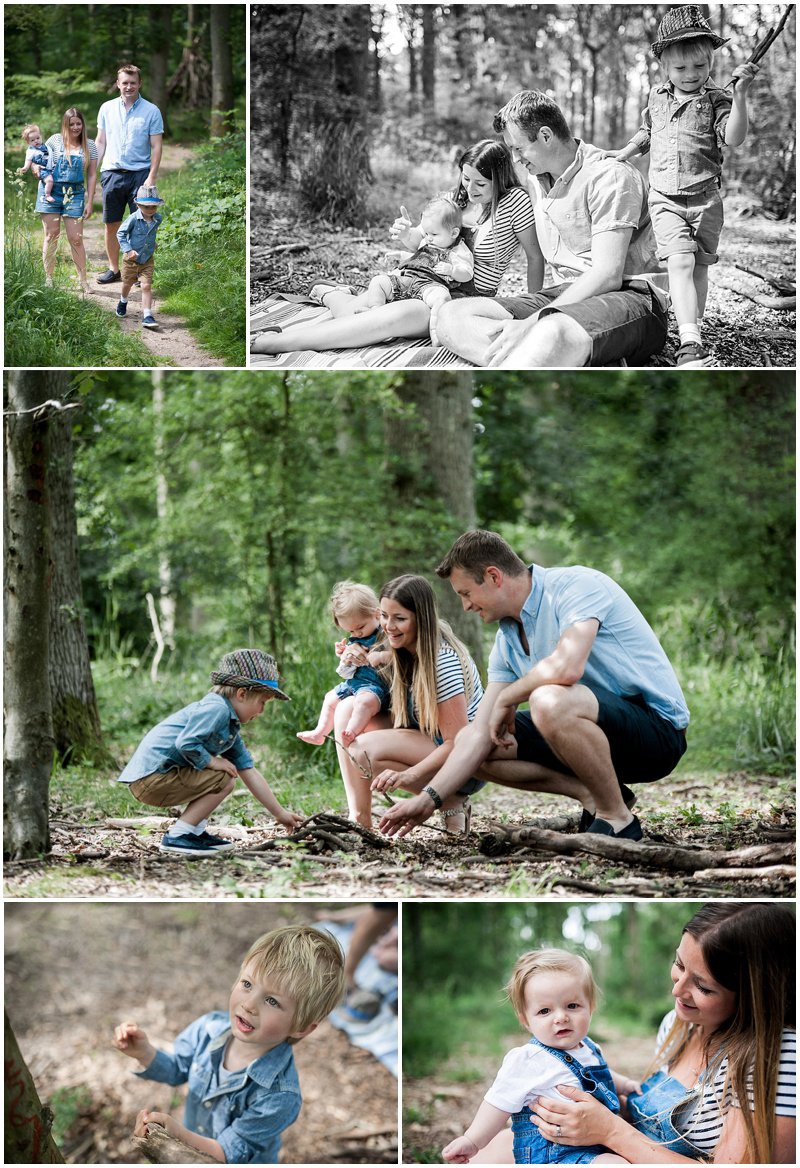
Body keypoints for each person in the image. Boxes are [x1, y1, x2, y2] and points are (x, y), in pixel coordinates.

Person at [379, 531, 688, 842]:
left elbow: (568, 666)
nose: (465, 606)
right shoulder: (506, 640)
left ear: (493, 576)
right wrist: (428, 799)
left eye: (466, 593)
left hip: (654, 733)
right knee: (478, 740)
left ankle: (618, 821)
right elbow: (474, 735)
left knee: (548, 700)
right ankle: (597, 797)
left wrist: (510, 697)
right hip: (591, 740)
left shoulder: (575, 586)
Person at [529, 903, 796, 1165]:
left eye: (703, 987)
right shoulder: (677, 1025)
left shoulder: (780, 1056)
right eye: (679, 965)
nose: (677, 991)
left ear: (754, 997)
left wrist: (610, 1130)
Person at [435, 91, 670, 369]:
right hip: (566, 294)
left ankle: (539, 358)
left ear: (546, 136)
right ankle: (534, 361)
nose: (515, 158)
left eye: (519, 148)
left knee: (550, 332)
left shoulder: (610, 176)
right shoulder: (535, 180)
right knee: (451, 315)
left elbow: (608, 275)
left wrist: (529, 324)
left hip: (632, 296)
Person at [250, 139, 539, 356]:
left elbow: (535, 258)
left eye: (481, 184)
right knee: (364, 314)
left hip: (463, 298)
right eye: (466, 178)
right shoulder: (455, 200)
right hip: (420, 280)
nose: (470, 189)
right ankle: (332, 296)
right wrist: (407, 234)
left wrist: (537, 308)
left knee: (388, 320)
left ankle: (281, 338)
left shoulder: (514, 202)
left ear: (499, 181)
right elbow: (426, 245)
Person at [601, 8, 759, 367]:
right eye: (680, 69)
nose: (691, 76)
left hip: (705, 200)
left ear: (709, 63)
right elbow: (648, 132)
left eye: (699, 67)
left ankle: (692, 328)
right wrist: (625, 153)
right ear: (664, 67)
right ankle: (688, 340)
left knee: (698, 267)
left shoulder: (718, 99)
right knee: (681, 261)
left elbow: (733, 138)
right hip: (666, 198)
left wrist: (742, 94)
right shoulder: (658, 96)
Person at [113, 924, 346, 1164]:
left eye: (272, 1001)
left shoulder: (280, 1096)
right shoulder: (208, 1030)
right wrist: (144, 1052)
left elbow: (228, 1153)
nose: (249, 1005)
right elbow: (176, 1069)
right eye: (247, 984)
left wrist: (178, 1134)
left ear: (303, 1027)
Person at [443, 949, 640, 1164]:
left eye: (572, 1006)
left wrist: (625, 1084)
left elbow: (600, 1076)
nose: (561, 1017)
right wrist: (472, 1141)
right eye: (545, 1011)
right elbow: (497, 1103)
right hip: (555, 1154)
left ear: (590, 1007)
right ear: (526, 1020)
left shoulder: (588, 1047)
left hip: (595, 1146)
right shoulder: (529, 1059)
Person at [117, 649, 304, 856]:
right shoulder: (217, 709)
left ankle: (193, 832)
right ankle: (180, 836)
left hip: (156, 779)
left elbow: (248, 770)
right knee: (223, 776)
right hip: (152, 778)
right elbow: (186, 744)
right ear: (242, 694)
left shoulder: (229, 723)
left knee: (227, 774)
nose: (261, 711)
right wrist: (213, 762)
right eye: (262, 702)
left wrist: (279, 813)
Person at [338, 574, 484, 833]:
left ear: (421, 619)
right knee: (346, 709)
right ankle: (359, 819)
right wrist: (355, 659)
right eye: (383, 616)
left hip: (467, 763)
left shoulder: (443, 662)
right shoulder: (399, 649)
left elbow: (458, 742)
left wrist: (411, 776)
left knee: (362, 751)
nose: (388, 626)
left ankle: (451, 798)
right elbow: (366, 692)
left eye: (399, 618)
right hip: (429, 739)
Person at [359, 195, 474, 330]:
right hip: (407, 280)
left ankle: (436, 329)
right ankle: (375, 310)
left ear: (454, 233)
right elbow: (420, 259)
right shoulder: (427, 242)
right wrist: (401, 255)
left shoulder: (458, 251)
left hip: (430, 286)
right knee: (378, 281)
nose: (428, 238)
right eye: (426, 233)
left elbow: (467, 274)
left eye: (434, 234)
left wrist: (452, 271)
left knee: (442, 297)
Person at [297, 581, 390, 749]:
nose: (356, 634)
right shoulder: (355, 640)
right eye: (351, 631)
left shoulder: (385, 635)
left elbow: (397, 657)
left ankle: (351, 732)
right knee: (329, 699)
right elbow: (345, 673)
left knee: (364, 702)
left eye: (360, 627)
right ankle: (320, 733)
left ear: (376, 614)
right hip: (353, 683)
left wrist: (381, 656)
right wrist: (345, 658)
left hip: (376, 688)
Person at [95, 63, 164, 285]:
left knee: (140, 225)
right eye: (124, 82)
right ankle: (114, 269)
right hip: (112, 173)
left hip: (140, 175)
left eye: (133, 83)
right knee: (112, 223)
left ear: (139, 84)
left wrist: (151, 176)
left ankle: (137, 271)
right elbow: (101, 141)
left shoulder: (152, 111)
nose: (128, 87)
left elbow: (156, 146)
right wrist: (94, 169)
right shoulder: (106, 108)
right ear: (117, 84)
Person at [36, 108, 97, 293]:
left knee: (76, 238)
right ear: (66, 124)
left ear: (83, 125)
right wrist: (36, 168)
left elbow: (92, 175)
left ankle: (83, 281)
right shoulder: (54, 140)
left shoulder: (90, 145)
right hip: (50, 192)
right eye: (72, 124)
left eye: (78, 123)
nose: (75, 127)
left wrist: (89, 201)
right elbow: (40, 159)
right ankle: (48, 279)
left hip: (75, 194)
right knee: (50, 235)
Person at [115, 184, 165, 329]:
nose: (151, 210)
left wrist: (152, 243)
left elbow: (149, 234)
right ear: (137, 205)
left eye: (153, 207)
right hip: (131, 259)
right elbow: (120, 234)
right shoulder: (133, 219)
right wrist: (128, 250)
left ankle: (147, 315)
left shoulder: (157, 219)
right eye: (147, 207)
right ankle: (123, 301)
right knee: (127, 283)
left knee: (146, 285)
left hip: (147, 259)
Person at [18, 125, 55, 202]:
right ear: (28, 142)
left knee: (52, 179)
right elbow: (28, 160)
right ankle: (47, 195)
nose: (36, 141)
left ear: (41, 136)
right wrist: (25, 167)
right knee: (49, 180)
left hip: (49, 168)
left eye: (38, 138)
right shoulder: (31, 151)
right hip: (41, 170)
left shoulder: (45, 146)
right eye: (32, 140)